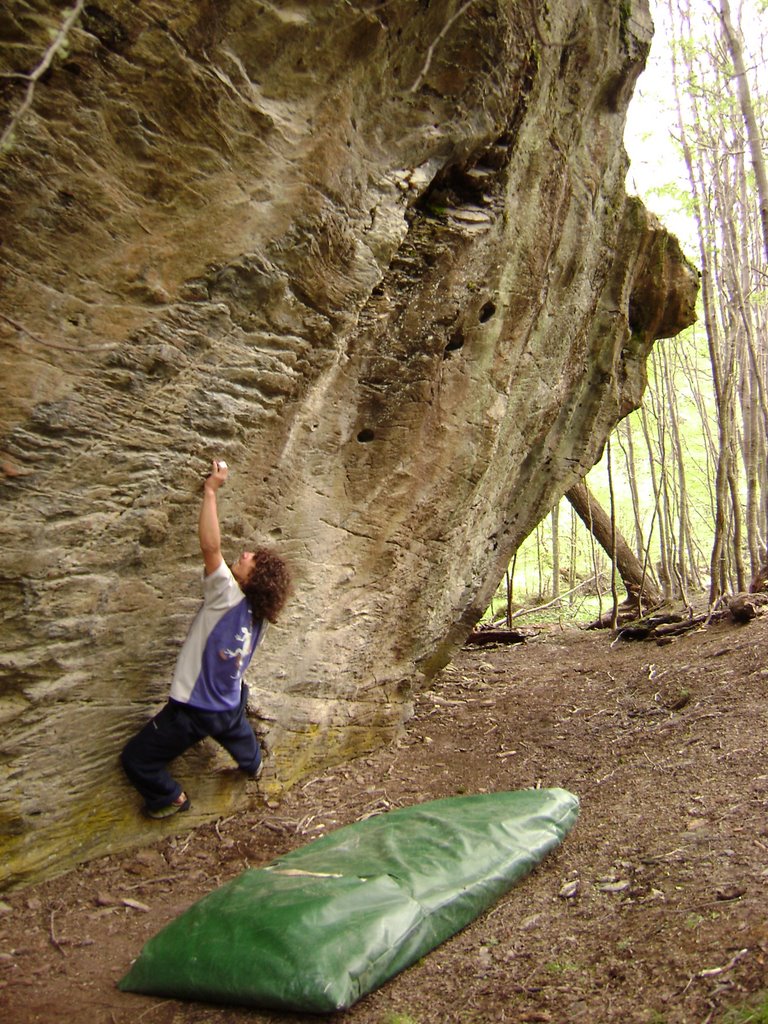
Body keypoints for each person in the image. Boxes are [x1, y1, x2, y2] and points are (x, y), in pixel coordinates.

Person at [121, 460, 291, 819]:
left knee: (137, 759)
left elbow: (211, 548)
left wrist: (211, 491)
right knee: (235, 730)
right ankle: (254, 764)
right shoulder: (259, 614)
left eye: (252, 561)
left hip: (194, 710)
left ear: (249, 580)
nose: (245, 554)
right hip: (228, 702)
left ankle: (170, 798)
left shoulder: (227, 594)